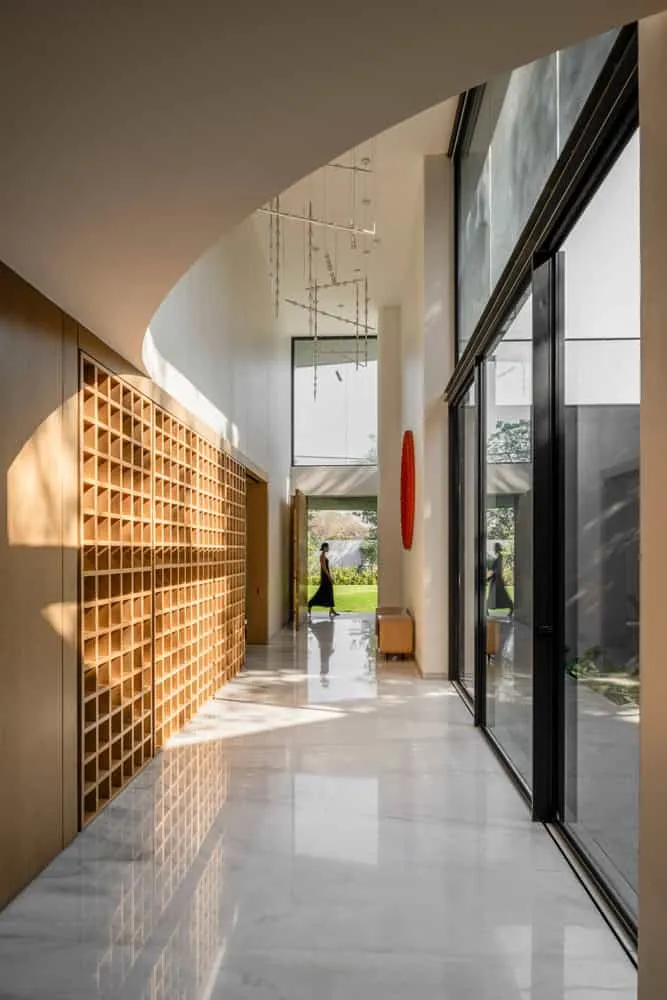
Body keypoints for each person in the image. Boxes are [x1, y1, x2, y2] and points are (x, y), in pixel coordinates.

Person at [308, 542, 338, 618]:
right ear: (324, 548)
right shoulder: (322, 556)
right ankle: (310, 604)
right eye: (327, 547)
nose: (328, 548)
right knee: (322, 592)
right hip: (325, 577)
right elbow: (324, 568)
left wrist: (329, 576)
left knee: (329, 592)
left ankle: (332, 610)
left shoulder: (324, 556)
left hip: (326, 576)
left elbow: (326, 568)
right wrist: (329, 577)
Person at [488, 541, 514, 617]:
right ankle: (486, 609)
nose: (494, 549)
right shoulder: (498, 557)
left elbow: (497, 570)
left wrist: (491, 577)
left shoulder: (499, 557)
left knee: (501, 595)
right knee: (496, 595)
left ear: (497, 548)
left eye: (495, 547)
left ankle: (511, 607)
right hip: (496, 579)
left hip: (497, 579)